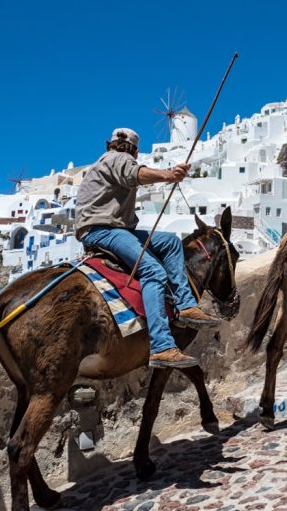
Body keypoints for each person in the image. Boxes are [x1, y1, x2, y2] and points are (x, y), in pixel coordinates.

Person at [74, 128, 221, 369]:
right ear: (134, 151)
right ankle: (162, 346)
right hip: (103, 230)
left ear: (110, 143)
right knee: (153, 270)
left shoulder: (107, 160)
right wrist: (169, 175)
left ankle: (186, 306)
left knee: (171, 242)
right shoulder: (117, 159)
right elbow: (136, 174)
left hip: (116, 229)